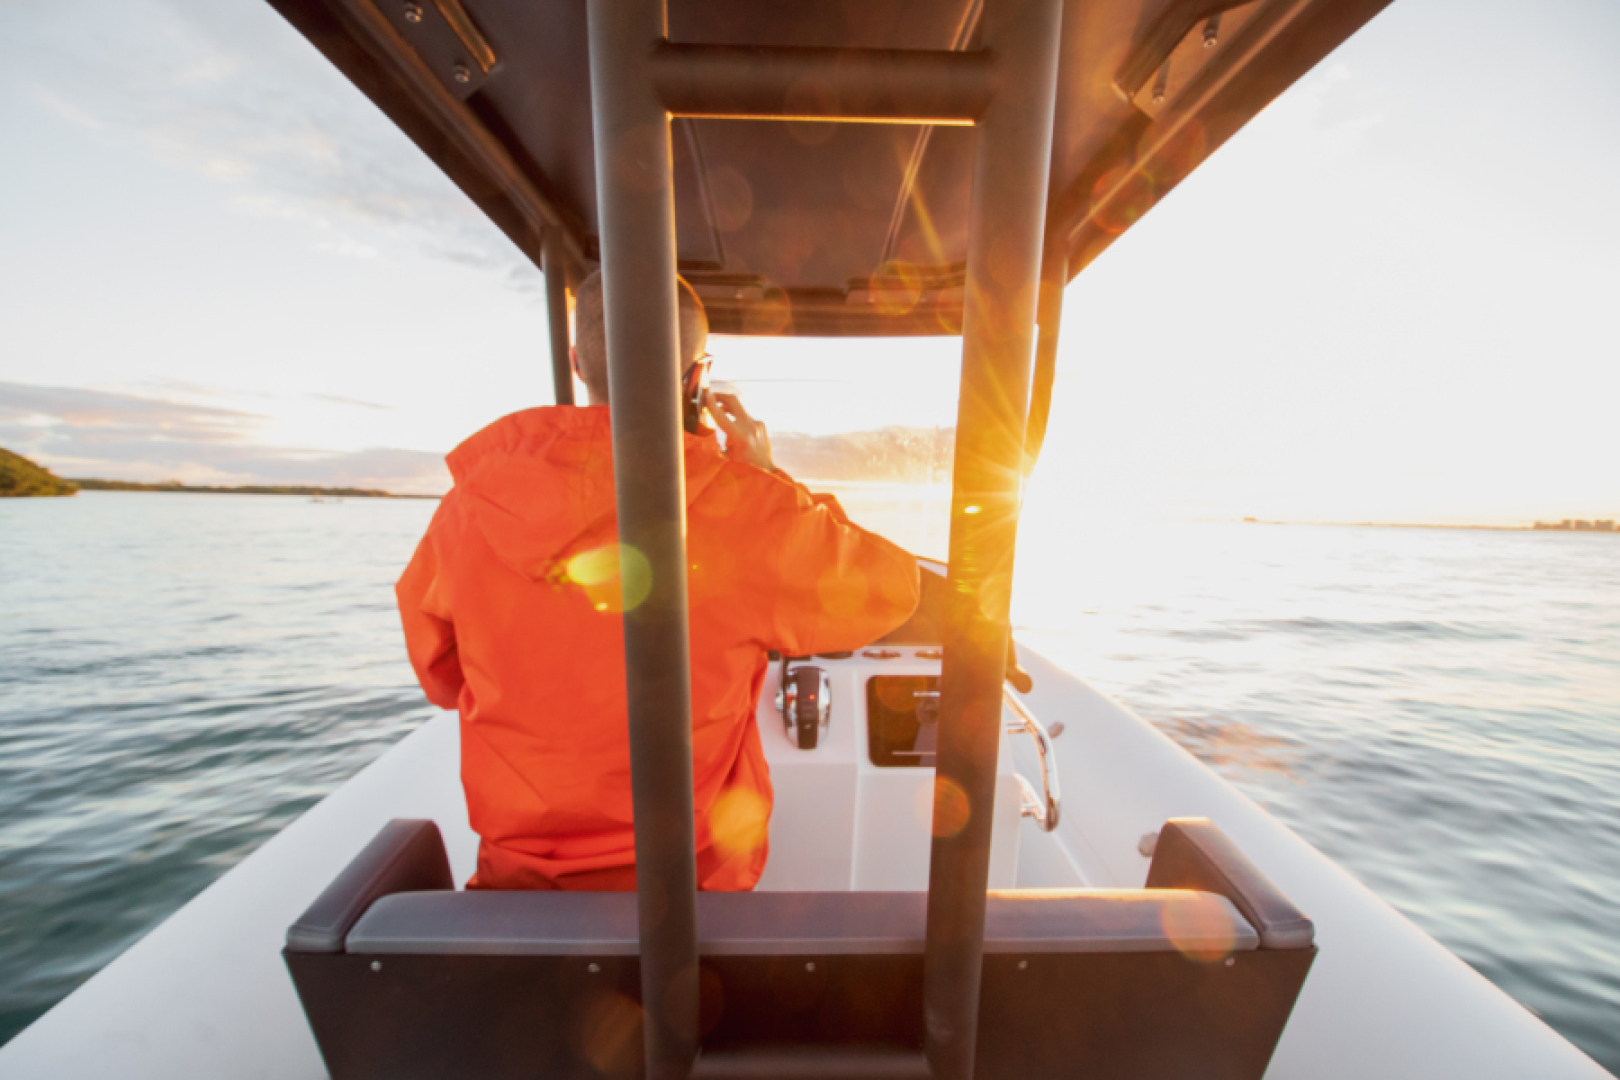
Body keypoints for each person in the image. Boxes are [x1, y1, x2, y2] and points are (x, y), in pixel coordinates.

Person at [396, 271, 920, 892]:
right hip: (692, 898)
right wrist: (769, 478)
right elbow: (893, 589)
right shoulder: (749, 512)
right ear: (696, 380)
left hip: (520, 897)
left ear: (578, 363)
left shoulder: (467, 512)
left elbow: (440, 676)